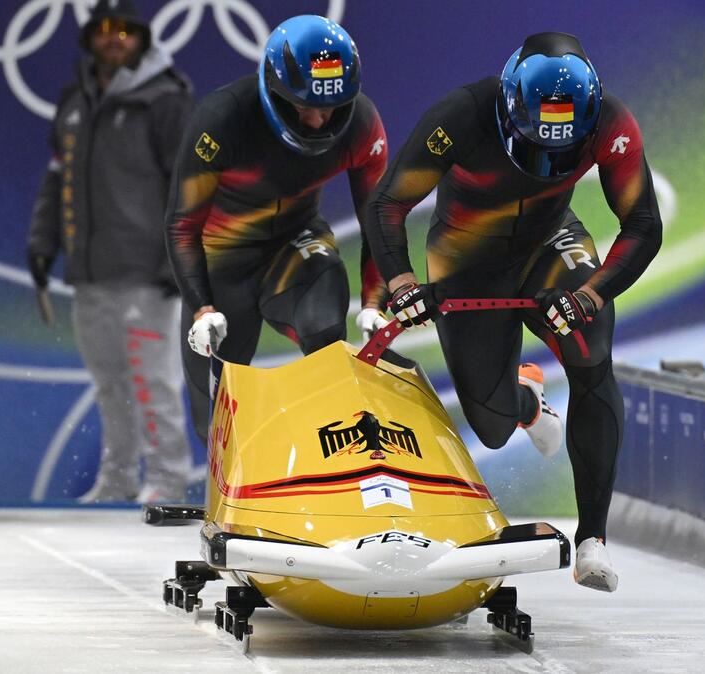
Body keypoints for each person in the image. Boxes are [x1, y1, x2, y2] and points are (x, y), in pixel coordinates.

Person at [365, 32, 664, 592]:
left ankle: (593, 540)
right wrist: (402, 282)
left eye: (564, 151)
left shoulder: (611, 123)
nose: (549, 161)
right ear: (508, 111)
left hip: (550, 243)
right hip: (465, 258)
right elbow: (389, 201)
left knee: (591, 349)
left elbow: (643, 224)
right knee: (493, 427)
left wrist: (588, 295)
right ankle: (525, 400)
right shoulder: (461, 115)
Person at [165, 15, 388, 442]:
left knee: (325, 326)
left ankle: (341, 447)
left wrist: (375, 301)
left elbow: (377, 217)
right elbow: (182, 224)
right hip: (221, 264)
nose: (318, 122)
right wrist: (201, 308)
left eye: (330, 109)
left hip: (294, 246)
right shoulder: (222, 120)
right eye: (304, 107)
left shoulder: (361, 124)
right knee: (214, 425)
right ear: (275, 91)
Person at [27, 0, 194, 504]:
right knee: (109, 383)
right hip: (90, 271)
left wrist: (175, 260)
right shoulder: (75, 101)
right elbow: (57, 179)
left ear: (141, 38)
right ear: (89, 38)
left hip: (147, 274)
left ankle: (168, 479)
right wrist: (43, 242)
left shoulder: (166, 100)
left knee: (154, 381)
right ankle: (118, 478)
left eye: (124, 30)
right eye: (103, 29)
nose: (113, 38)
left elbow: (190, 184)